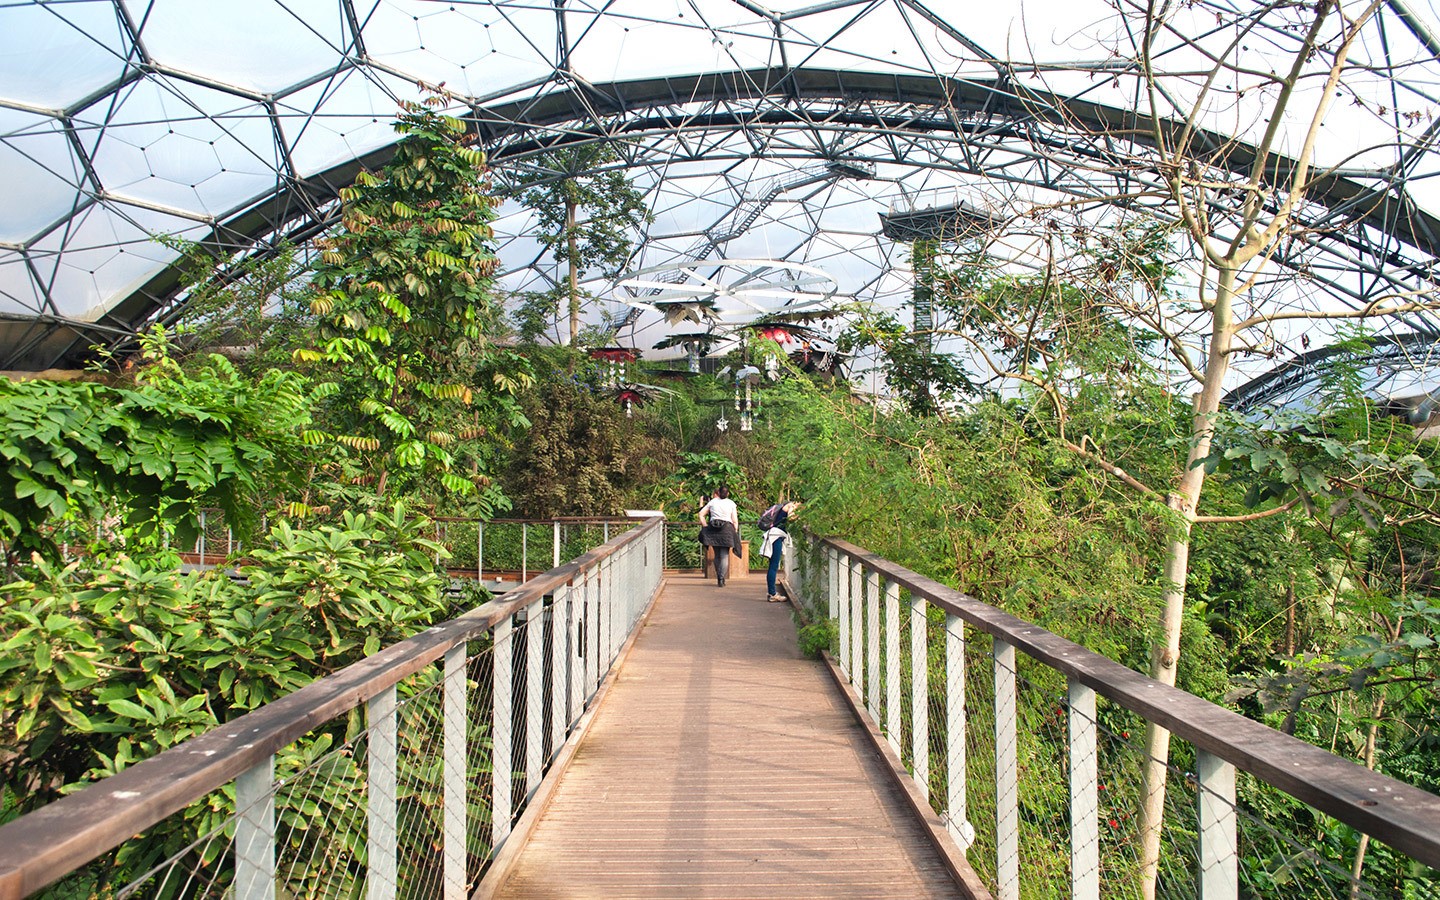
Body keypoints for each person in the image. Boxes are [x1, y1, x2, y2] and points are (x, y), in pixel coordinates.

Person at [698, 485, 740, 587]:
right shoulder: (731, 503)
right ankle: (721, 578)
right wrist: (735, 530)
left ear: (719, 492)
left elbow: (701, 514)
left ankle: (719, 577)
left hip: (713, 529)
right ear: (728, 493)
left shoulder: (713, 502)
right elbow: (734, 520)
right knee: (724, 555)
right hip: (727, 529)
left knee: (717, 555)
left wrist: (705, 526)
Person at [760, 500, 800, 602]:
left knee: (773, 566)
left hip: (775, 536)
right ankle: (772, 593)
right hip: (776, 537)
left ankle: (771, 592)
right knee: (773, 566)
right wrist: (799, 517)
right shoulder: (791, 506)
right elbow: (790, 518)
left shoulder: (784, 505)